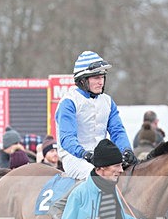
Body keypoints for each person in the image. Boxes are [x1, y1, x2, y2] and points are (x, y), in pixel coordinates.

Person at [55, 51, 136, 180]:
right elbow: (67, 138)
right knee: (98, 177)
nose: (101, 82)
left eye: (102, 77)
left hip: (101, 157)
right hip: (75, 157)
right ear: (83, 80)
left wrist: (126, 149)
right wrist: (85, 154)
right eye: (96, 78)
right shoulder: (68, 102)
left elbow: (117, 131)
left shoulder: (108, 101)